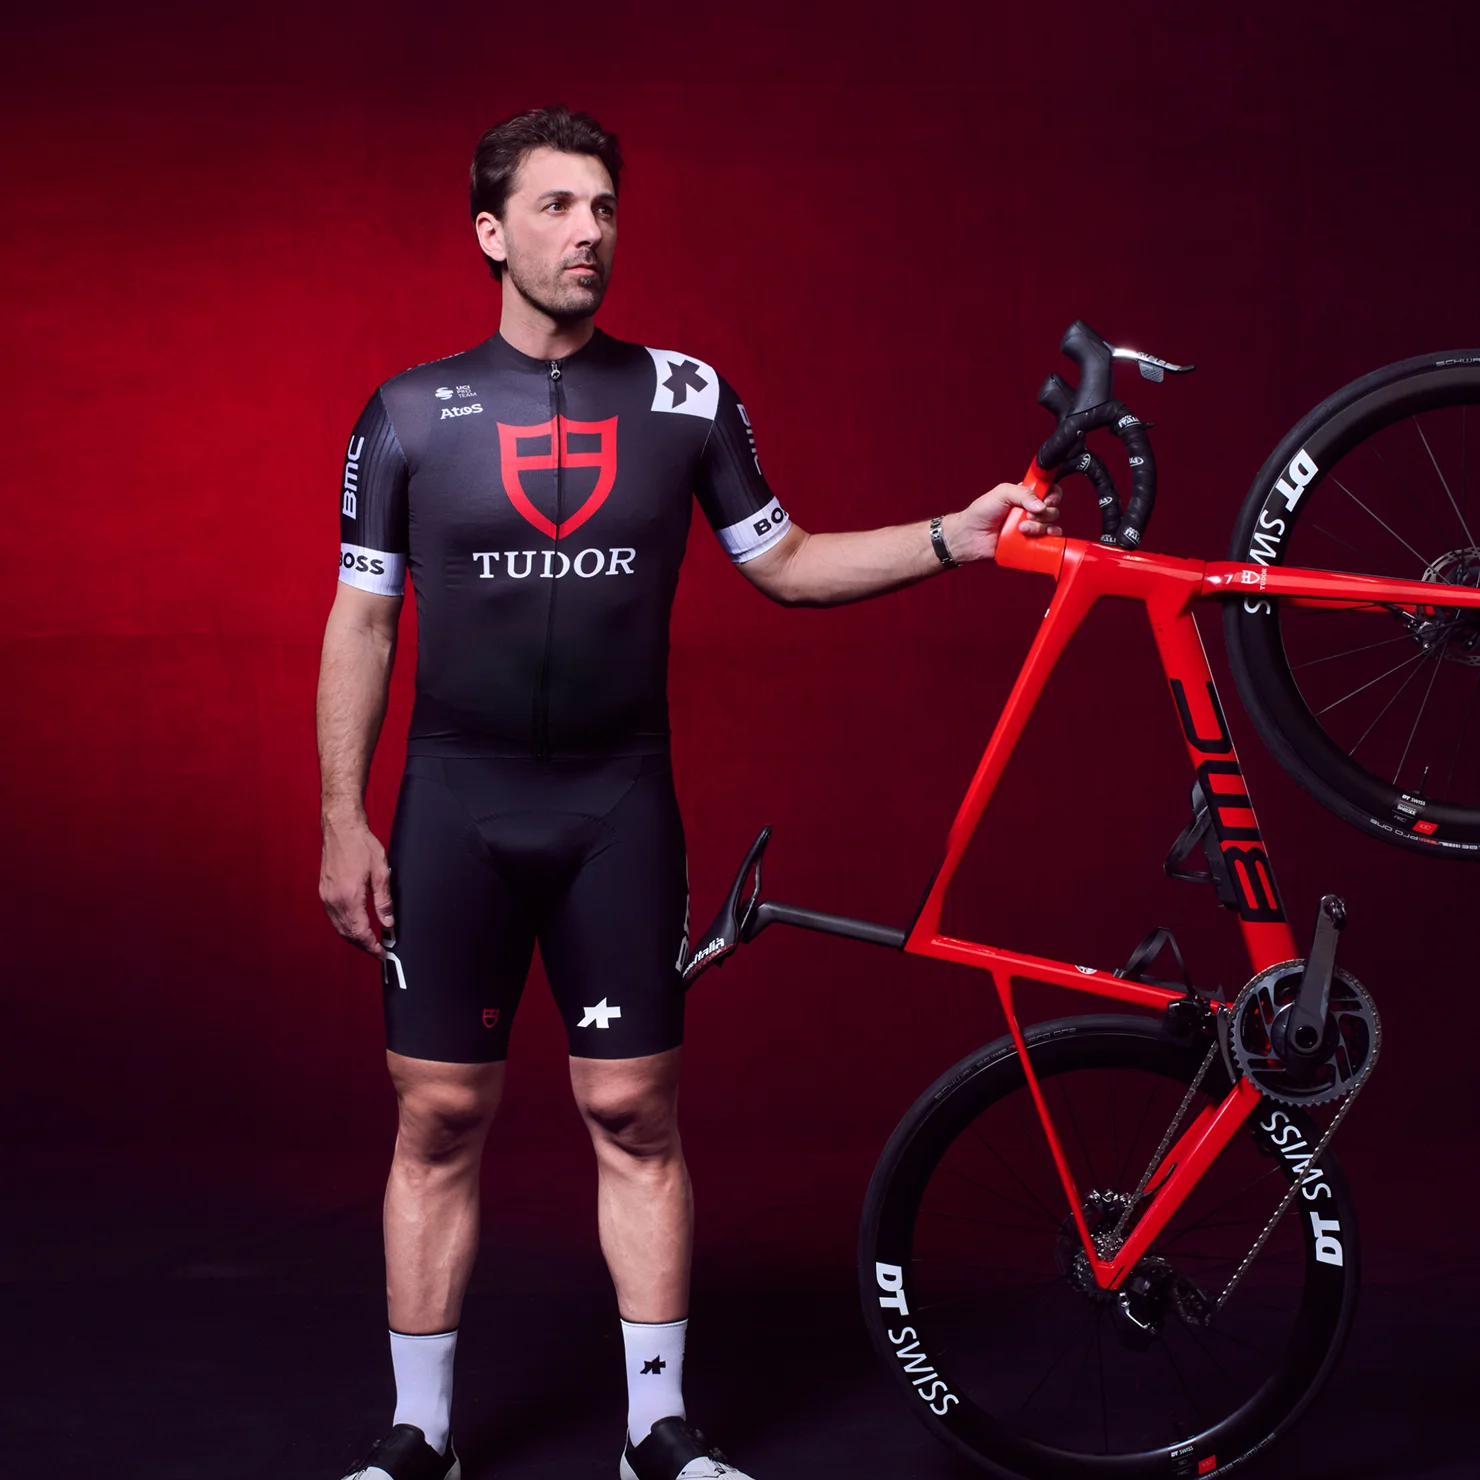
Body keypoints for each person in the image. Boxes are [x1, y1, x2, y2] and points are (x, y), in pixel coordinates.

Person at [316, 104, 1062, 1480]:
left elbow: (785, 564)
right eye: (555, 207)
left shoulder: (686, 398)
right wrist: (339, 818)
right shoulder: (409, 415)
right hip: (454, 806)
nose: (589, 232)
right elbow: (361, 624)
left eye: (603, 207)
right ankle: (417, 1434)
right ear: (491, 233)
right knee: (438, 1117)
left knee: (635, 1115)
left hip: (617, 808)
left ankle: (656, 1428)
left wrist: (957, 537)